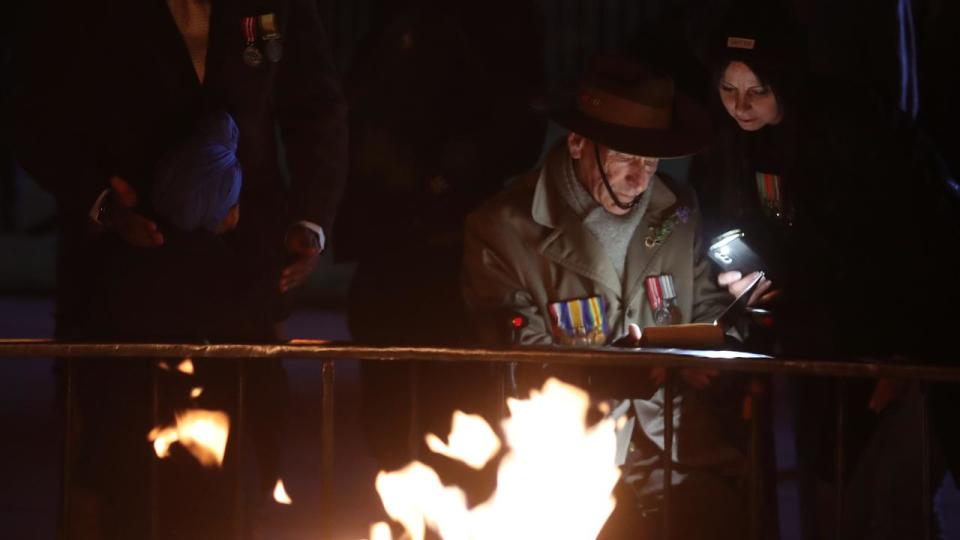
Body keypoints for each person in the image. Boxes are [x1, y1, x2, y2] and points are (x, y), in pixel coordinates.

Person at [14, 1, 347, 537]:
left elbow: (316, 110)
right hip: (120, 288)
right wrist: (101, 201)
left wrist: (309, 223)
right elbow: (35, 112)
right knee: (119, 483)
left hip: (240, 284)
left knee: (237, 484)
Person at [690, 8, 959, 539]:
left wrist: (896, 356)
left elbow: (906, 247)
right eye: (727, 90)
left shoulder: (852, 132)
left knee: (893, 496)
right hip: (820, 340)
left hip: (906, 333)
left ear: (785, 81)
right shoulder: (736, 143)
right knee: (831, 488)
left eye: (756, 91)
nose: (740, 107)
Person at [462, 59, 751, 540]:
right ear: (577, 143)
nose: (640, 180)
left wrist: (724, 342)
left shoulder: (677, 209)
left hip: (679, 453)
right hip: (568, 462)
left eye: (651, 161)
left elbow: (707, 307)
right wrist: (613, 371)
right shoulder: (505, 229)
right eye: (625, 157)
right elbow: (516, 359)